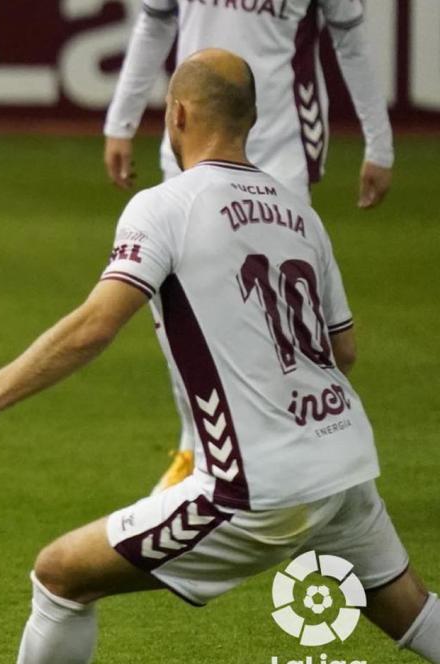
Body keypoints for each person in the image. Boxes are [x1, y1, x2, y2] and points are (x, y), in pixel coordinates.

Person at [0, 49, 437, 664]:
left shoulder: (166, 205)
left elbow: (93, 327)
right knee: (411, 609)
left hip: (256, 489)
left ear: (177, 114)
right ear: (252, 119)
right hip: (343, 460)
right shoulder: (300, 215)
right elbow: (342, 349)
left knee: (60, 576)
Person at [103, 0, 396, 493]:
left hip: (281, 147)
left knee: (284, 311)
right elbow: (155, 21)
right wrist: (121, 120)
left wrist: (379, 142)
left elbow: (348, 32)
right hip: (190, 144)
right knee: (180, 304)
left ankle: (304, 444)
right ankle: (197, 447)